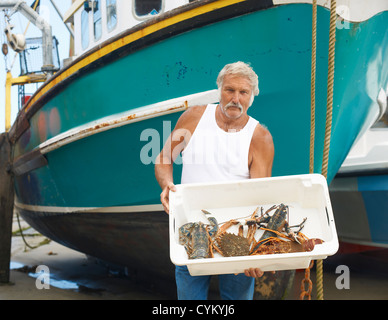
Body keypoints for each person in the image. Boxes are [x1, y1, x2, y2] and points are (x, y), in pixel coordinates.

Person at [155, 61, 275, 300]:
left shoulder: (260, 137)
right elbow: (164, 157)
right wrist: (167, 183)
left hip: (239, 238)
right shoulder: (194, 117)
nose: (236, 98)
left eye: (243, 92)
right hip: (192, 229)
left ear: (252, 97)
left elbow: (260, 198)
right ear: (219, 90)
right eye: (230, 90)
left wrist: (256, 253)